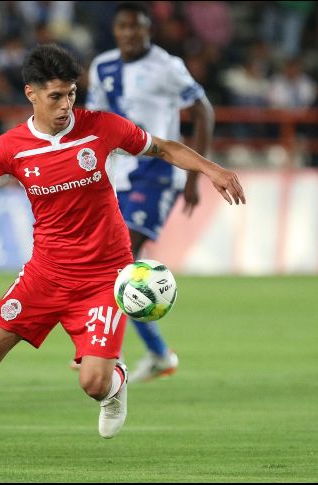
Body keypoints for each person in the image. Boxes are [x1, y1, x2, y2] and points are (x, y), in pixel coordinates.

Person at [0, 43, 245, 479]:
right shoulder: (10, 148)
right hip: (45, 275)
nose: (66, 105)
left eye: (71, 94)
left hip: (105, 278)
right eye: (55, 96)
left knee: (92, 384)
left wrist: (212, 169)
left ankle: (114, 382)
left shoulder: (100, 128)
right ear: (31, 93)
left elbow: (163, 148)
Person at [82, 1, 215, 383]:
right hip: (118, 175)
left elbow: (203, 111)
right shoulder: (102, 66)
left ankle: (108, 351)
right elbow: (93, 124)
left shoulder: (167, 66)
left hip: (158, 173)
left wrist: (193, 176)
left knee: (121, 259)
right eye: (123, 27)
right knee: (116, 264)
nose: (129, 33)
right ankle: (157, 354)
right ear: (115, 31)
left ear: (148, 31)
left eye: (137, 27)